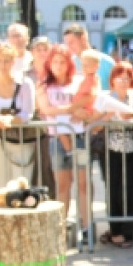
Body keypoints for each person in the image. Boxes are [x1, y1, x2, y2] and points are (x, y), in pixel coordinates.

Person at [36, 43, 91, 237]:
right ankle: (61, 227)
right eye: (55, 62)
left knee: (84, 184)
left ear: (69, 64)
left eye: (63, 62)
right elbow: (46, 110)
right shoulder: (43, 85)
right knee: (63, 185)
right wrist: (69, 109)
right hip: (56, 140)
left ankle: (86, 227)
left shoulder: (78, 82)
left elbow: (88, 105)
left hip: (79, 137)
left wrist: (80, 111)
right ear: (49, 63)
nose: (59, 65)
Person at [96, 61, 133, 248]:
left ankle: (128, 232)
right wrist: (107, 116)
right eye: (120, 78)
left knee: (130, 190)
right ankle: (115, 230)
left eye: (127, 78)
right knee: (113, 190)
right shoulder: (105, 97)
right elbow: (93, 125)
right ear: (112, 80)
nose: (123, 81)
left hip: (132, 150)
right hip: (111, 150)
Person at [0, 41, 36, 186]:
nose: (2, 65)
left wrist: (11, 119)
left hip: (21, 141)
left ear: (13, 62)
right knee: (2, 183)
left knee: (21, 183)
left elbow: (28, 112)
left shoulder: (25, 84)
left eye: (6, 61)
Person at [63, 22, 114, 90]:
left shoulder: (107, 62)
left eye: (71, 42)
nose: (69, 46)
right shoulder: (69, 64)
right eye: (67, 43)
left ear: (83, 38)